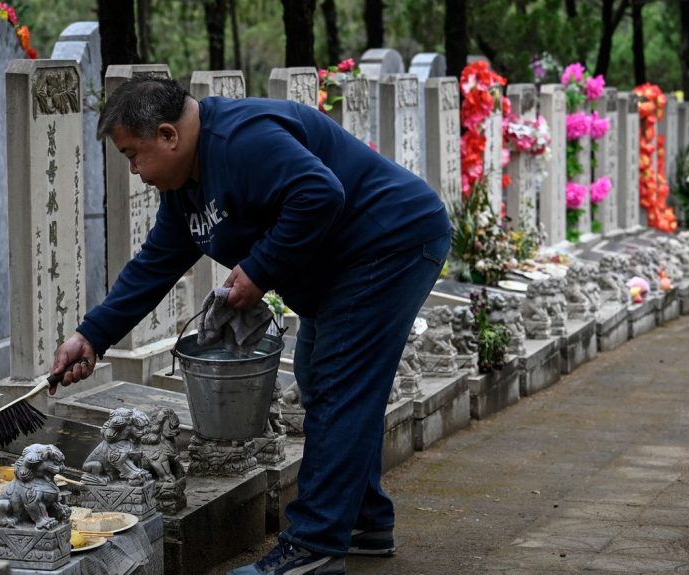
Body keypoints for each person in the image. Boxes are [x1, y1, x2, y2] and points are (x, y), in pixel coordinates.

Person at [50, 77, 451, 575]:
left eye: (133, 155)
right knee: (320, 378)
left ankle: (314, 546)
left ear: (169, 135)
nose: (134, 171)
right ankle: (361, 521)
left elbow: (319, 192)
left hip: (389, 243)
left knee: (338, 385)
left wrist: (259, 269)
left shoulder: (242, 140)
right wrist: (91, 336)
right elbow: (156, 263)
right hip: (350, 261)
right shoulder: (187, 185)